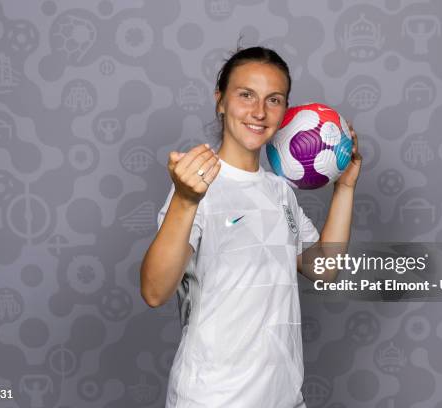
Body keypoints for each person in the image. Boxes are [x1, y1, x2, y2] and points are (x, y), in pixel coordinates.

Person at [141, 46, 361, 408]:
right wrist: (184, 200)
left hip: (284, 398)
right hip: (213, 398)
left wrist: (345, 188)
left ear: (285, 112)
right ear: (221, 101)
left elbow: (324, 269)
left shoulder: (280, 191)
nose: (259, 112)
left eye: (273, 100)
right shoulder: (196, 184)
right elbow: (153, 291)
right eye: (246, 95)